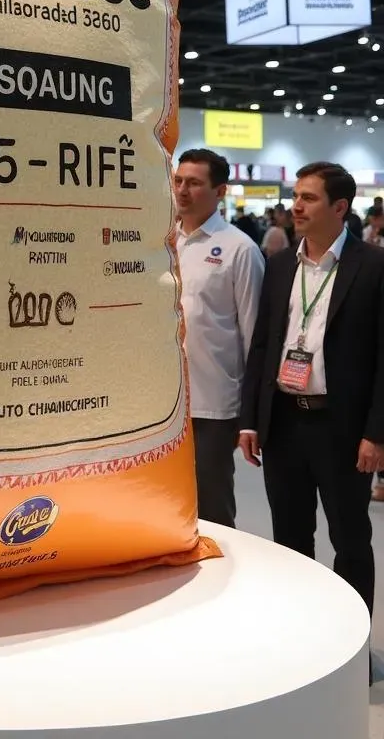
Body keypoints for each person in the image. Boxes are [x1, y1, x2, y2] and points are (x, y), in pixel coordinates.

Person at [239, 162, 384, 625]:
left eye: (308, 198)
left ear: (340, 207)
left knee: (350, 540)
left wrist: (376, 433)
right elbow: (263, 346)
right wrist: (251, 419)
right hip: (283, 422)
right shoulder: (282, 264)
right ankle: (300, 634)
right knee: (290, 538)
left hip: (342, 427)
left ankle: (353, 642)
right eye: (296, 196)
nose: (296, 206)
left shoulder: (374, 266)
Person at [174, 149, 265, 528]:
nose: (182, 190)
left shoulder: (239, 249)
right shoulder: (161, 241)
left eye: (194, 183)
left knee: (212, 505)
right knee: (166, 500)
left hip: (213, 404)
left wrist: (250, 414)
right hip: (162, 401)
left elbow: (255, 336)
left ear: (220, 191)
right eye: (178, 180)